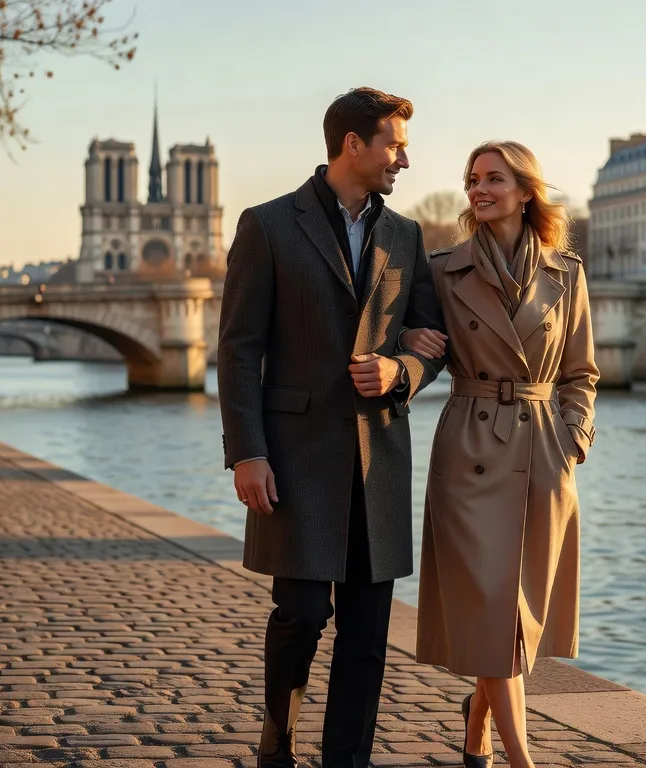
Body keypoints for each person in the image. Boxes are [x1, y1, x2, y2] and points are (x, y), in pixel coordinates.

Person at [216, 86, 446, 768]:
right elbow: (238, 350)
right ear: (354, 144)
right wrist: (245, 453)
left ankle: (346, 760)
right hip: (295, 455)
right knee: (303, 613)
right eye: (394, 144)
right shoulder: (267, 225)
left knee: (369, 633)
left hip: (378, 456)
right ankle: (277, 737)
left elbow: (430, 337)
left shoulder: (406, 235)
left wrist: (401, 369)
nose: (403, 159)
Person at [404, 141, 598, 768]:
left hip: (543, 445)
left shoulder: (567, 273)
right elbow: (402, 331)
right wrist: (409, 334)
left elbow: (581, 373)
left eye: (493, 179)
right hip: (470, 448)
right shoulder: (441, 270)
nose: (478, 190)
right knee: (491, 611)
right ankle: (523, 760)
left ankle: (477, 724)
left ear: (524, 190)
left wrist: (573, 439)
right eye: (472, 180)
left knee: (519, 618)